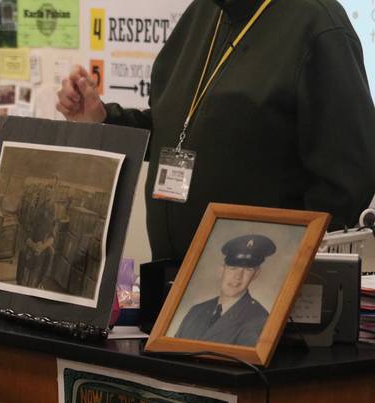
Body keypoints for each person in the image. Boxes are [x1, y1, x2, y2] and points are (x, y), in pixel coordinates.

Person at [56, 0, 375, 261]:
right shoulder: (201, 14)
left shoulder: (318, 23)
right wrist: (102, 117)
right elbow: (174, 130)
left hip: (259, 285)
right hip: (171, 281)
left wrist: (284, 259)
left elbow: (349, 178)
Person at [175, 234, 275, 346]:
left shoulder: (259, 319)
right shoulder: (196, 311)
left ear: (256, 274)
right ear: (221, 270)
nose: (238, 276)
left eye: (248, 270)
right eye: (233, 268)